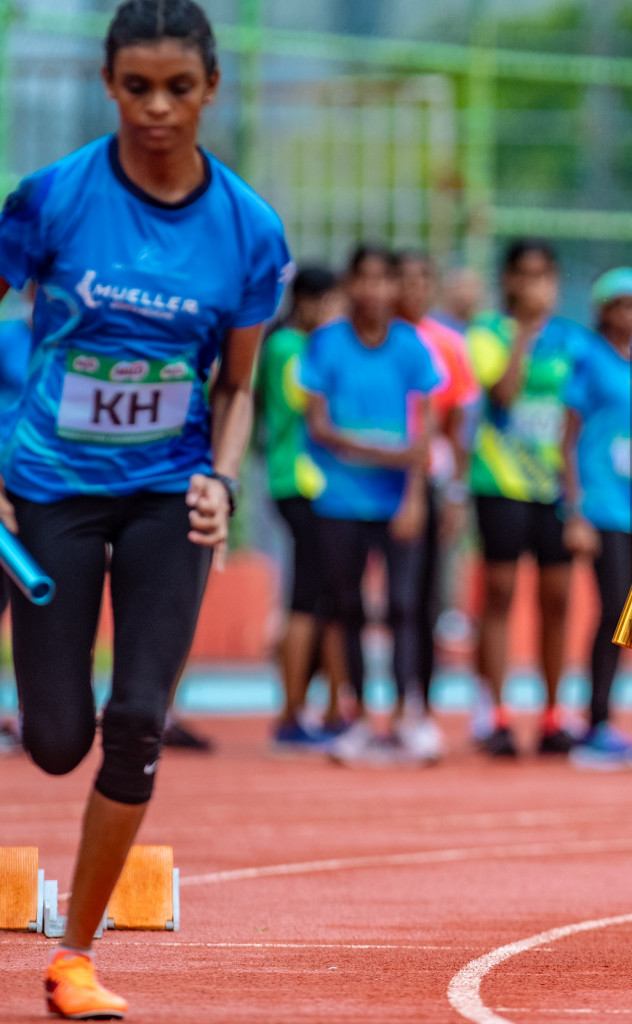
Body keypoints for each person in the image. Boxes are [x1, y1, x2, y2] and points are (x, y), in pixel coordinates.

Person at [0, 0, 290, 1014]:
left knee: (135, 720)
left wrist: (220, 475)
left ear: (211, 89)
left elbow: (240, 388)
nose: (157, 108)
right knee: (55, 739)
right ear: (108, 84)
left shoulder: (251, 230)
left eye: (178, 87)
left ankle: (74, 955)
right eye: (137, 87)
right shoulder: (51, 200)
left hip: (172, 494)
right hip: (49, 490)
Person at [301, 245, 442, 767]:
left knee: (406, 608)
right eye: (364, 279)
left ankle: (410, 717)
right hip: (339, 500)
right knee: (348, 608)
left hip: (396, 502)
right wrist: (384, 451)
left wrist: (412, 497)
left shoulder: (411, 346)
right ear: (349, 285)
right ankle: (358, 718)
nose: (375, 291)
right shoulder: (325, 345)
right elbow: (317, 425)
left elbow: (425, 428)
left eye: (384, 280)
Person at [466, 240, 583, 757]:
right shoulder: (488, 334)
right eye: (526, 275)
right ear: (509, 281)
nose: (536, 284)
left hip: (555, 489)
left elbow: (581, 415)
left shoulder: (572, 341)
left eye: (545, 274)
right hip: (500, 484)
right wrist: (521, 334)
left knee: (557, 600)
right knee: (499, 594)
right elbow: (504, 393)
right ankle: (495, 714)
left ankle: (555, 714)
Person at [562, 268, 632, 770]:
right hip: (600, 501)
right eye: (620, 305)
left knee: (627, 612)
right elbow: (567, 437)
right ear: (603, 310)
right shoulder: (588, 357)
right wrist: (575, 508)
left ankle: (601, 722)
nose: (630, 315)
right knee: (613, 609)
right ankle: (596, 724)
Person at [256, 264, 346, 751]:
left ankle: (330, 707)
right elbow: (313, 404)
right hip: (298, 481)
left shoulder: (301, 345)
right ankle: (291, 711)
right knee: (306, 594)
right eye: (331, 303)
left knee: (326, 594)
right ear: (309, 302)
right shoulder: (290, 347)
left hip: (320, 484)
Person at [396, 250, 478, 760]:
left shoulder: (448, 344)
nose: (411, 287)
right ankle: (349, 709)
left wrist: (453, 492)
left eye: (422, 276)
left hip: (425, 483)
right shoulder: (369, 338)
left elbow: (457, 428)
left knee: (420, 601)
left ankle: (417, 709)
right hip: (363, 485)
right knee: (345, 602)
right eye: (402, 277)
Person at [0, 286, 31, 757]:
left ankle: (36, 715)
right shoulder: (7, 338)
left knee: (50, 606)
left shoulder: (87, 345)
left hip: (52, 492)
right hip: (3, 486)